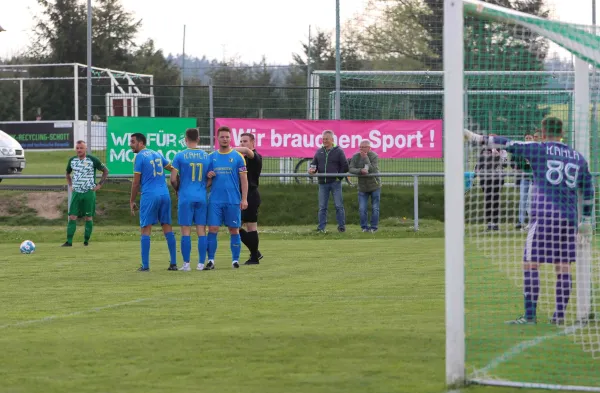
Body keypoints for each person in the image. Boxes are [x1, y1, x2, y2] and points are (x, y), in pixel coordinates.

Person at [464, 117, 595, 325]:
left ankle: (530, 316)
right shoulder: (578, 158)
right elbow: (588, 192)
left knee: (531, 264)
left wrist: (477, 138)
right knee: (563, 267)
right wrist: (586, 219)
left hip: (543, 216)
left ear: (543, 133)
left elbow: (506, 143)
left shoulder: (538, 148)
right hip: (569, 220)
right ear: (563, 133)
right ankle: (558, 316)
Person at [129, 133, 178, 272]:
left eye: (133, 142)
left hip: (150, 195)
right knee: (167, 227)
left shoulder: (139, 157)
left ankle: (145, 266)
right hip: (164, 194)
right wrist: (176, 186)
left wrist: (132, 200)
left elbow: (136, 182)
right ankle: (173, 263)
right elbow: (174, 168)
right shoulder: (157, 154)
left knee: (145, 228)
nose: (130, 145)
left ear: (141, 143)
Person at [205, 126, 248, 270]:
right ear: (217, 138)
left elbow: (244, 180)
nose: (225, 139)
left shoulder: (238, 157)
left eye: (227, 137)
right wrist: (208, 177)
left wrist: (244, 199)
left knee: (234, 229)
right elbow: (206, 183)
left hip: (233, 200)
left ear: (231, 139)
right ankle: (211, 260)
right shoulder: (211, 157)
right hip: (215, 200)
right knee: (212, 229)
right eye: (222, 137)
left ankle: (235, 260)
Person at [170, 128, 212, 272]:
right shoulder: (207, 156)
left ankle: (186, 264)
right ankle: (201, 264)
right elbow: (210, 179)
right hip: (201, 197)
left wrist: (178, 190)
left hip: (185, 197)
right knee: (201, 230)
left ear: (186, 139)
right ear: (198, 139)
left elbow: (173, 178)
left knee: (185, 231)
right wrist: (202, 187)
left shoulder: (180, 156)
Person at [62, 140, 109, 247]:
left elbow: (105, 171)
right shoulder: (72, 160)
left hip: (89, 192)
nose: (79, 150)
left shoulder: (92, 160)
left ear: (85, 149)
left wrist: (99, 185)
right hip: (76, 193)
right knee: (72, 216)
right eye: (77, 148)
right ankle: (69, 242)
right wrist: (70, 186)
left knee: (88, 217)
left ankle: (86, 241)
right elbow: (67, 173)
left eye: (81, 148)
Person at [308, 130, 349, 233]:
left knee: (338, 205)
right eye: (323, 139)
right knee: (322, 207)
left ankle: (341, 227)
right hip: (322, 183)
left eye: (327, 139)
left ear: (332, 140)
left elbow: (345, 166)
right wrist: (312, 170)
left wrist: (337, 178)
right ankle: (321, 228)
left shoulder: (339, 151)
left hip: (335, 183)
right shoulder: (319, 151)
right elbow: (314, 165)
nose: (324, 141)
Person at [235, 133, 263, 265]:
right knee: (234, 226)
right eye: (240, 141)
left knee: (251, 226)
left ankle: (254, 257)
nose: (242, 144)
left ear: (253, 143)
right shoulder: (241, 159)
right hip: (241, 195)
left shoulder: (255, 156)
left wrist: (226, 149)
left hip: (251, 195)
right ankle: (255, 251)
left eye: (245, 141)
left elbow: (247, 151)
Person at [348, 140, 381, 233]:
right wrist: (360, 171)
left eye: (364, 147)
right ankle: (364, 228)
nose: (361, 149)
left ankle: (374, 227)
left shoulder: (374, 156)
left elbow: (373, 169)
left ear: (369, 148)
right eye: (361, 147)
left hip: (375, 186)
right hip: (362, 187)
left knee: (375, 208)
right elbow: (350, 169)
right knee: (362, 208)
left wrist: (365, 157)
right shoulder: (355, 156)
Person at [475, 139, 508, 231]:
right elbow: (480, 163)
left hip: (498, 179)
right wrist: (476, 172)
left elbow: (504, 165)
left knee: (495, 200)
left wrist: (498, 156)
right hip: (485, 179)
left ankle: (495, 223)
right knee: (488, 200)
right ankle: (489, 223)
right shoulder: (484, 150)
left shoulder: (503, 151)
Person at [511, 133, 534, 230]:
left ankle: (531, 221)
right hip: (524, 177)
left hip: (534, 178)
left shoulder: (536, 149)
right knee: (523, 199)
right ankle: (521, 221)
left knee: (531, 200)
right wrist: (516, 168)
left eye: (530, 138)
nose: (528, 139)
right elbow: (513, 162)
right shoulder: (521, 149)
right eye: (526, 138)